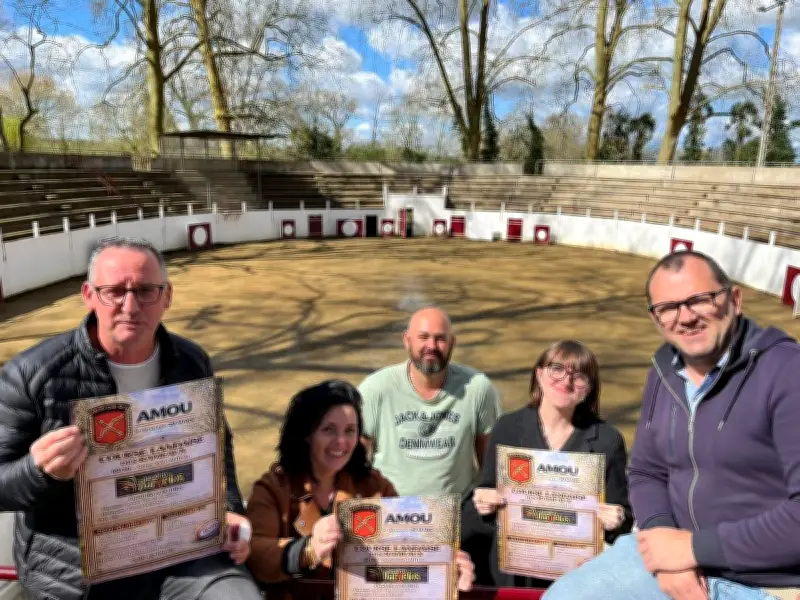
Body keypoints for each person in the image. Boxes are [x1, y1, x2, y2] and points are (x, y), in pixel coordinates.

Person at [0, 236, 261, 600]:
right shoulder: (30, 374)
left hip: (180, 545)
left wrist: (229, 508)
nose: (131, 305)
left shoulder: (191, 361)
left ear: (167, 296)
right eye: (114, 291)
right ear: (89, 295)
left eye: (145, 290)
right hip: (78, 567)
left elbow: (218, 442)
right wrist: (39, 472)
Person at [542, 250, 800, 600]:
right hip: (668, 551)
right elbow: (648, 471)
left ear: (735, 299)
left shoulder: (787, 372)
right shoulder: (664, 373)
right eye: (668, 308)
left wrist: (692, 549)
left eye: (700, 299)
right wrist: (663, 547)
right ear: (655, 318)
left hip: (764, 579)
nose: (685, 317)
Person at [244, 379, 476, 597]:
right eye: (329, 430)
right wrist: (309, 548)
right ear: (306, 434)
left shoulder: (374, 485)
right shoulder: (273, 488)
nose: (342, 442)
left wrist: (443, 562)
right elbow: (255, 554)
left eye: (350, 431)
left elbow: (408, 543)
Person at [461, 340, 633, 588]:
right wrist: (484, 504)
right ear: (539, 375)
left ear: (589, 389)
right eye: (557, 369)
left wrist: (615, 521)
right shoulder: (508, 428)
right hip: (514, 572)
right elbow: (484, 501)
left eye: (579, 375)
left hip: (575, 574)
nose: (566, 381)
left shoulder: (608, 440)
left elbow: (624, 517)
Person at [358, 306, 503, 500]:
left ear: (452, 343)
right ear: (407, 340)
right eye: (423, 337)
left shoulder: (478, 388)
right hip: (392, 510)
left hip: (456, 511)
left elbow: (491, 462)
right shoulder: (376, 389)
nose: (431, 346)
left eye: (440, 338)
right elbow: (353, 459)